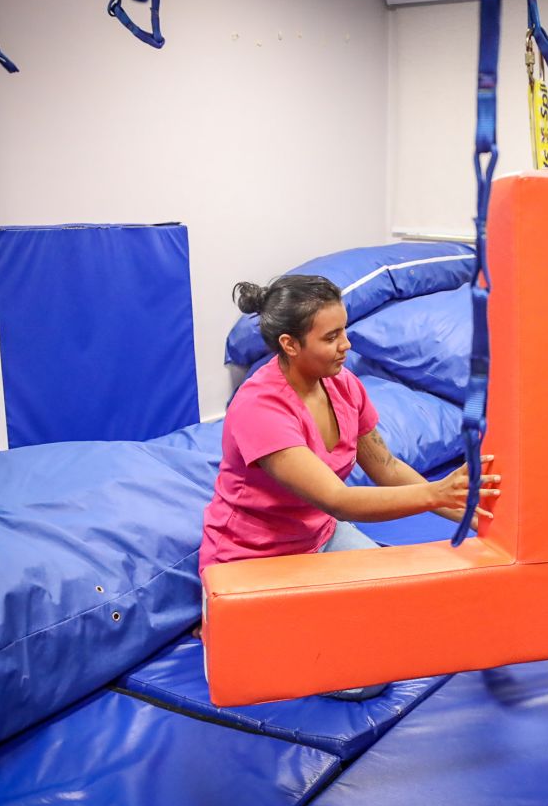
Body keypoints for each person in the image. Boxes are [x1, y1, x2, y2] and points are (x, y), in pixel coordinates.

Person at [199, 275, 501, 696]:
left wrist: (474, 515)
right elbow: (338, 500)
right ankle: (231, 630)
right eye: (331, 337)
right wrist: (436, 492)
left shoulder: (343, 384)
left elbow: (387, 468)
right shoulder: (260, 408)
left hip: (319, 536)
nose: (347, 345)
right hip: (255, 560)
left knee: (411, 608)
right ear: (290, 344)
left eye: (344, 330)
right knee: (365, 681)